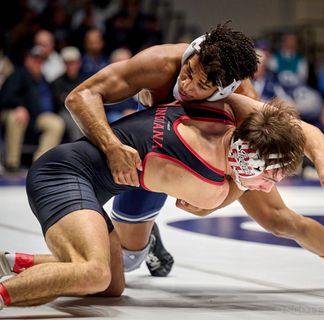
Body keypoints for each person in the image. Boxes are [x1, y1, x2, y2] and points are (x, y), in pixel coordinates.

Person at [62, 23, 324, 290]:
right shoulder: (162, 63)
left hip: (221, 164)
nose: (186, 84)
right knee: (128, 261)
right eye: (188, 71)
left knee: (279, 219)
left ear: (223, 90)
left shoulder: (239, 97)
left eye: (200, 83)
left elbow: (300, 130)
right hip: (153, 155)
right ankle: (145, 241)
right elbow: (82, 95)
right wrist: (111, 147)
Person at [0, 94, 307, 307]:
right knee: (94, 271)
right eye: (270, 176)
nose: (267, 187)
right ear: (249, 160)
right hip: (62, 175)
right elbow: (203, 205)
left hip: (80, 177)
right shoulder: (206, 186)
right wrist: (242, 182)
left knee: (111, 286)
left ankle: (15, 262)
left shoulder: (215, 113)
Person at [0, 46, 65, 173]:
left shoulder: (43, 79)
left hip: (37, 116)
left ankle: (40, 162)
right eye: (34, 59)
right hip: (14, 112)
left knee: (56, 123)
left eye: (40, 60)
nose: (38, 63)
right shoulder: (18, 74)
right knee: (16, 118)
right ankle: (12, 163)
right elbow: (6, 97)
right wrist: (19, 106)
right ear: (27, 60)